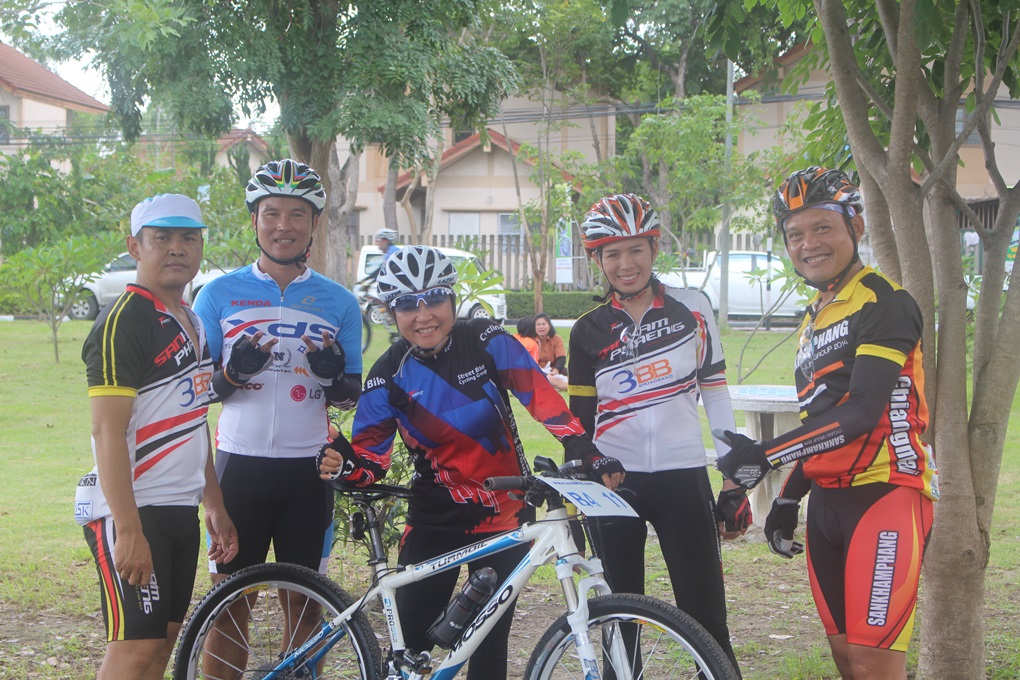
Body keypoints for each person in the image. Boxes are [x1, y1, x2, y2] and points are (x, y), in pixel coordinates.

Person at [317, 246, 623, 680]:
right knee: (412, 650)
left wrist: (583, 448)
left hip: (505, 517)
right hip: (434, 521)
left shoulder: (485, 339)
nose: (423, 315)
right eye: (407, 304)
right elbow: (370, 463)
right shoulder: (387, 374)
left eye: (434, 299)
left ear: (453, 299)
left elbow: (541, 397)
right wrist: (345, 462)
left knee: (487, 648)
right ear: (391, 312)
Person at [716, 167, 938, 680]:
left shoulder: (884, 302)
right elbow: (821, 422)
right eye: (795, 234)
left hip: (886, 494)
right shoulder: (814, 316)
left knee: (874, 664)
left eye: (822, 228)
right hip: (827, 503)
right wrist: (789, 497)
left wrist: (765, 456)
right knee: (846, 659)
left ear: (854, 226)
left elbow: (860, 412)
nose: (808, 244)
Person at [192, 159, 363, 669]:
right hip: (237, 469)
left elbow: (350, 397)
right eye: (271, 213)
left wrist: (332, 379)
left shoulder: (340, 302)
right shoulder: (216, 295)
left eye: (296, 214)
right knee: (227, 609)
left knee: (305, 607)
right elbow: (198, 393)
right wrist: (232, 374)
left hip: (307, 474)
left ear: (314, 224)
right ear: (254, 220)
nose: (283, 225)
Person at [567, 193, 748, 675]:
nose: (626, 264)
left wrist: (733, 479)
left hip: (683, 476)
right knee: (618, 623)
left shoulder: (693, 308)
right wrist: (576, 499)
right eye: (612, 253)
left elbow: (715, 392)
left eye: (636, 250)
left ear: (654, 248)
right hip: (613, 484)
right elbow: (579, 424)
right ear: (597, 260)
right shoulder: (587, 330)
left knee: (707, 620)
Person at [74, 194, 238, 680]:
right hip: (131, 509)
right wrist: (128, 530)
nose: (176, 248)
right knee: (136, 648)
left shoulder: (193, 320)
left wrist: (214, 504)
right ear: (135, 247)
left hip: (179, 508)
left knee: (163, 642)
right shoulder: (123, 321)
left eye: (188, 238)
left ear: (201, 246)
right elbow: (106, 430)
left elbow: (193, 418)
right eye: (161, 238)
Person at [534, 312, 568, 390]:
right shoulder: (530, 340)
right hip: (536, 370)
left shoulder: (556, 339)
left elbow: (561, 358)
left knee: (572, 374)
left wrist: (556, 370)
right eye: (538, 325)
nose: (541, 327)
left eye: (543, 324)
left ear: (549, 326)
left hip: (552, 369)